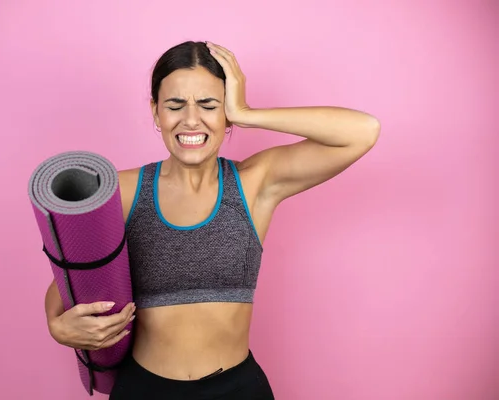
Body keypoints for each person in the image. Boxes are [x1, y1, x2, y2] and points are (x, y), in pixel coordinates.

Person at [44, 40, 380, 399]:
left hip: (238, 389)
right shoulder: (122, 190)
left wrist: (248, 112)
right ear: (156, 112)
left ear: (226, 114)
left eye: (208, 105)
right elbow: (76, 274)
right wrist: (56, 325)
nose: (191, 119)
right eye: (175, 105)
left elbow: (363, 131)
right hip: (143, 389)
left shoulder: (255, 183)